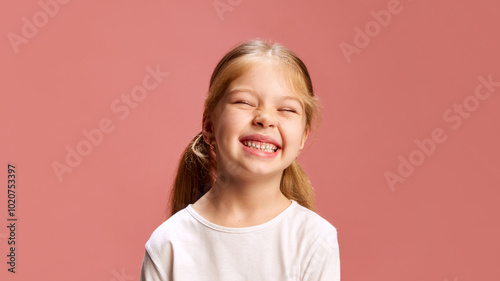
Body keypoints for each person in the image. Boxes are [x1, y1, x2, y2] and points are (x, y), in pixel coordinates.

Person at [140, 39, 340, 280]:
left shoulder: (314, 240)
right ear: (209, 125)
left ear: (302, 138)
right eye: (244, 102)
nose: (265, 118)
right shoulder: (168, 245)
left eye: (286, 109)